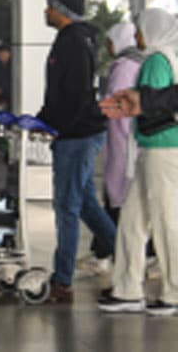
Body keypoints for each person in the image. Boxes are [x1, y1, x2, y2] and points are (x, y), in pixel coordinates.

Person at [37, 0, 117, 304]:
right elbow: (62, 93)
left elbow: (74, 95)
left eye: (50, 6)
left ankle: (62, 281)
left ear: (63, 11)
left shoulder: (72, 42)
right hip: (77, 132)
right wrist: (43, 119)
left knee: (66, 207)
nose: (46, 11)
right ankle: (128, 257)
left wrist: (57, 127)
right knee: (85, 205)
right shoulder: (75, 39)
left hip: (76, 136)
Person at [98, 9, 178, 314]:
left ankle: (174, 292)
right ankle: (127, 289)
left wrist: (131, 104)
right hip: (152, 149)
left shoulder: (157, 60)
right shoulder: (163, 58)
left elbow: (154, 105)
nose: (137, 36)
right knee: (132, 220)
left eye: (141, 30)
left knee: (166, 219)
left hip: (162, 149)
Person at [82, 22, 144, 277]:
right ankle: (104, 252)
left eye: (110, 41)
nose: (108, 47)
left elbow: (118, 104)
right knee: (117, 198)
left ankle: (108, 254)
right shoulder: (136, 63)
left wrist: (91, 112)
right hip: (126, 141)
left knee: (118, 198)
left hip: (123, 141)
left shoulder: (125, 67)